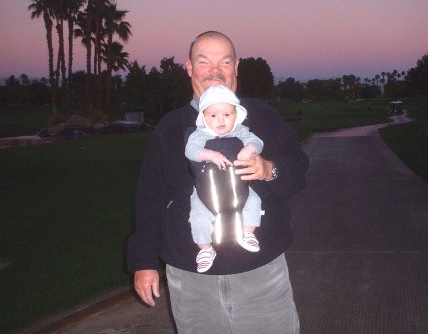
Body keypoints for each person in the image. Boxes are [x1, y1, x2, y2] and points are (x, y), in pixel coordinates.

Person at [127, 31, 308, 333]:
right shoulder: (171, 127)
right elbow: (149, 198)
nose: (214, 71)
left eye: (224, 62)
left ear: (236, 67)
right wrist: (143, 261)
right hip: (191, 281)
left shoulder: (263, 117)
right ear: (189, 68)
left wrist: (270, 170)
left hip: (261, 275)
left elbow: (298, 172)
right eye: (203, 62)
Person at [185, 84, 264, 273]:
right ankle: (205, 248)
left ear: (236, 115)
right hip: (206, 188)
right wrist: (209, 154)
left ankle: (248, 231)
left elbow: (257, 142)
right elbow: (190, 151)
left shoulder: (241, 132)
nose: (220, 120)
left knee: (254, 201)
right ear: (204, 117)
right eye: (213, 115)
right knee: (198, 214)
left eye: (227, 115)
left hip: (237, 185)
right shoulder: (199, 135)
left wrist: (249, 149)